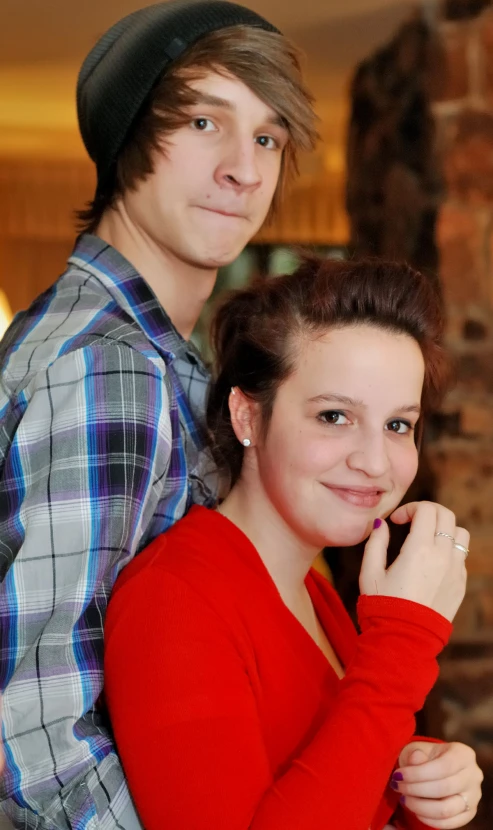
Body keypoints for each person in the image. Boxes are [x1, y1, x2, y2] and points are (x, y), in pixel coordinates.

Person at [0, 2, 317, 827]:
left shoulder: (164, 358)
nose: (243, 168)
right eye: (205, 119)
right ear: (126, 141)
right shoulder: (105, 367)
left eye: (266, 137)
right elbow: (40, 738)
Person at [104, 257, 483, 830]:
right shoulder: (174, 600)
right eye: (334, 416)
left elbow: (333, 781)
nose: (375, 461)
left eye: (399, 424)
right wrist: (403, 644)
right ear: (248, 416)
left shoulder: (315, 592)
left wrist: (419, 779)